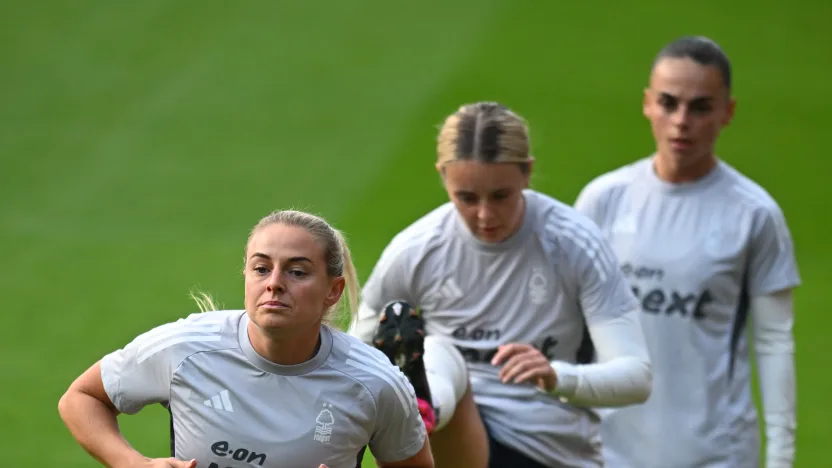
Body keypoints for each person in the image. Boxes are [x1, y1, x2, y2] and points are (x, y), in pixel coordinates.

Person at [348, 101, 654, 468]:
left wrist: (557, 376)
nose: (485, 216)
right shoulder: (415, 250)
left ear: (527, 173)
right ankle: (425, 407)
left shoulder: (573, 244)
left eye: (500, 196)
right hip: (454, 440)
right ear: (443, 176)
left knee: (440, 354)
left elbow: (636, 377)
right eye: (466, 197)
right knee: (441, 353)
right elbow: (351, 362)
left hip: (548, 451)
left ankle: (423, 405)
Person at [574, 36, 801, 468]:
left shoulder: (754, 215)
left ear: (727, 112)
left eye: (700, 107)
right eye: (668, 102)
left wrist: (782, 458)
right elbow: (566, 325)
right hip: (609, 453)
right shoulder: (603, 200)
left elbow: (774, 343)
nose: (681, 121)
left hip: (715, 455)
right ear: (647, 103)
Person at [58, 210, 435, 468]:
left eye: (297, 271)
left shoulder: (374, 383)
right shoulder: (186, 349)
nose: (274, 283)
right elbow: (82, 398)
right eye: (261, 268)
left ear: (333, 291)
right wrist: (133, 463)